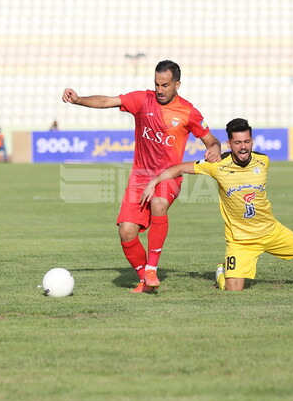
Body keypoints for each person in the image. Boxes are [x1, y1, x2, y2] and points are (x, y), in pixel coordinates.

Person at [140, 118, 293, 291]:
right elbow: (179, 168)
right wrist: (154, 182)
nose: (243, 147)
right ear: (229, 144)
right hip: (240, 240)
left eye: (246, 141)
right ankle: (223, 271)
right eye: (237, 143)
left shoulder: (263, 161)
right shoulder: (217, 166)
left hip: (271, 231)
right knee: (233, 291)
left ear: (252, 140)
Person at [62, 60, 221, 293]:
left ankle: (151, 269)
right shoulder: (141, 100)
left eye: (165, 85)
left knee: (159, 203)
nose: (159, 90)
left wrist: (215, 148)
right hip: (140, 177)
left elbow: (210, 139)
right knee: (126, 232)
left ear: (177, 84)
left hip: (168, 176)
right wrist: (78, 100)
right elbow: (107, 101)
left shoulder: (188, 111)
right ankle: (145, 280)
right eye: (156, 84)